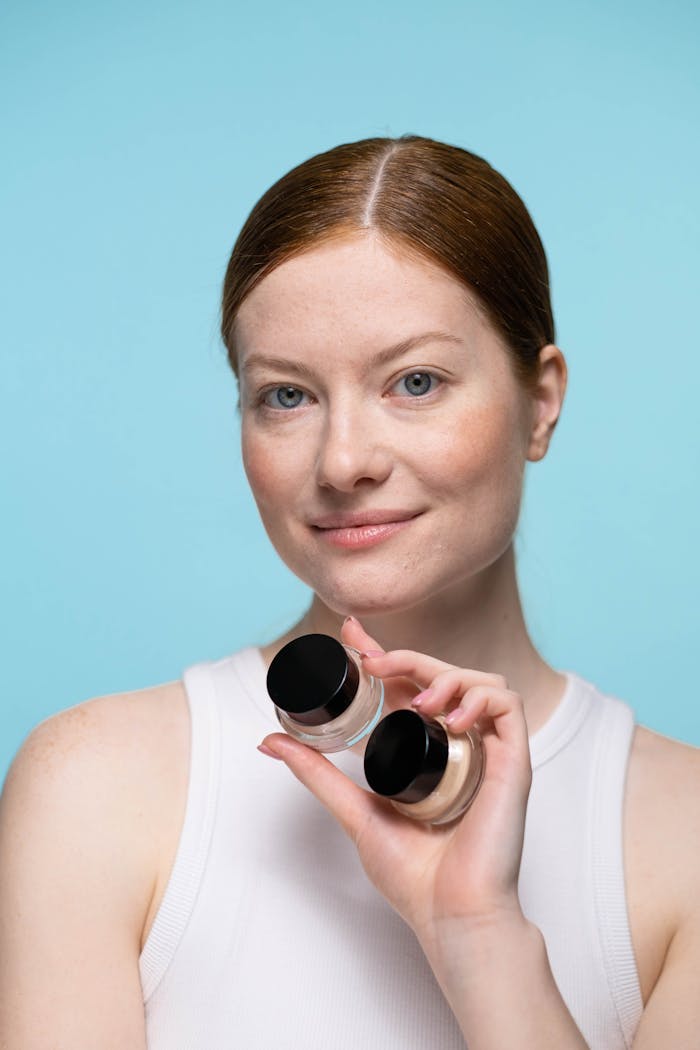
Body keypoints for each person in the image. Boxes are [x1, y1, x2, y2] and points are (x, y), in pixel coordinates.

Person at [1, 134, 698, 1050]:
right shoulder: (93, 787)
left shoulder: (684, 839)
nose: (342, 462)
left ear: (541, 400)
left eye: (415, 382)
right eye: (286, 396)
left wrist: (481, 941)